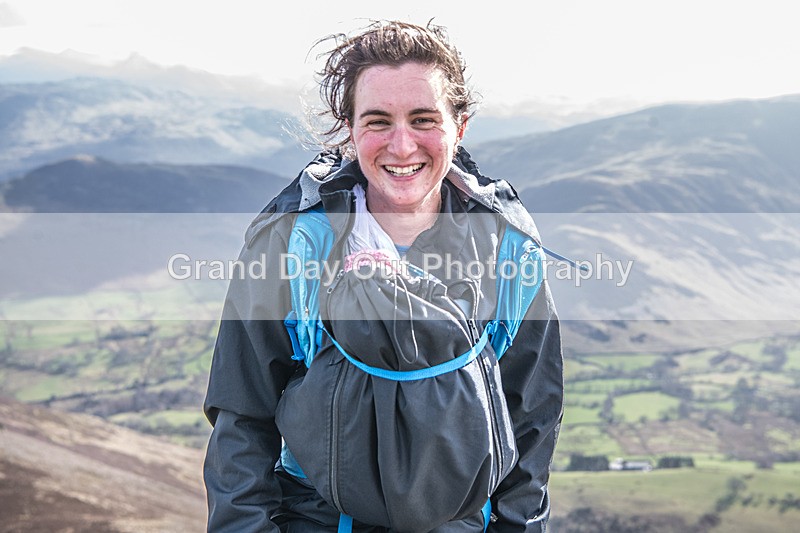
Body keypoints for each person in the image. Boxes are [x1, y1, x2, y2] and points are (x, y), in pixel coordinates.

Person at [203, 20, 563, 532]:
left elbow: (531, 425)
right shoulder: (293, 243)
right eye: (377, 121)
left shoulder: (508, 249)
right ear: (349, 129)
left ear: (459, 127)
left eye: (423, 119)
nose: (401, 145)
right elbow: (243, 417)